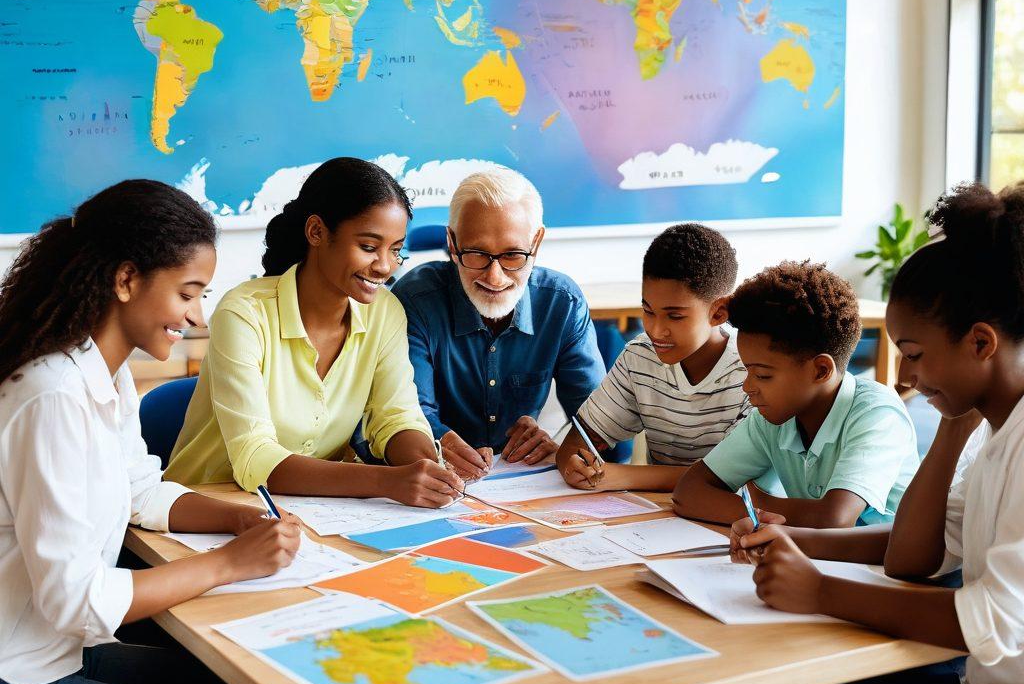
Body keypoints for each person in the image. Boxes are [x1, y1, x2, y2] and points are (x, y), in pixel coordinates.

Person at [0, 180, 303, 684]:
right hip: (15, 681)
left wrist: (233, 523)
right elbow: (75, 601)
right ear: (125, 279)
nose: (196, 316)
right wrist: (227, 565)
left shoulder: (104, 372)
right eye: (188, 293)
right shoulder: (53, 395)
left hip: (55, 652)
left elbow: (140, 489)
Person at [722, 182, 1024, 684]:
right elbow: (917, 556)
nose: (907, 377)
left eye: (913, 354)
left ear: (980, 342)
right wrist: (798, 539)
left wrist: (820, 592)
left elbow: (994, 620)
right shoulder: (992, 430)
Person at [165, 158, 462, 506]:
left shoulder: (385, 312)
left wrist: (425, 466)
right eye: (368, 247)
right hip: (202, 512)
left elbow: (396, 417)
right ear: (317, 232)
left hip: (311, 512)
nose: (384, 266)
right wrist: (387, 480)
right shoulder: (244, 313)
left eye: (396, 250)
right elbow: (255, 458)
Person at [392, 169, 607, 480]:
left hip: (523, 482)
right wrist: (440, 442)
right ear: (452, 243)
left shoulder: (562, 303)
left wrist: (564, 445)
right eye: (477, 254)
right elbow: (408, 413)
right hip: (435, 476)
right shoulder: (416, 301)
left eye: (513, 255)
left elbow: (600, 420)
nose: (495, 277)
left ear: (537, 242)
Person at [673, 260, 918, 528]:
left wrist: (759, 507)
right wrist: (766, 512)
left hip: (884, 566)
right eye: (747, 370)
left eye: (763, 375)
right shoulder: (773, 419)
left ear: (821, 370)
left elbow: (835, 519)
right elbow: (689, 493)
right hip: (815, 559)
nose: (748, 386)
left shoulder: (877, 414)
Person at [556, 223, 749, 492]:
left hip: (730, 523)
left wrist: (621, 476)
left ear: (718, 313)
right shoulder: (640, 356)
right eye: (648, 311)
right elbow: (578, 442)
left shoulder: (753, 373)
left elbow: (725, 479)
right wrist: (573, 462)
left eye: (675, 316)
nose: (655, 330)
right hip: (655, 516)